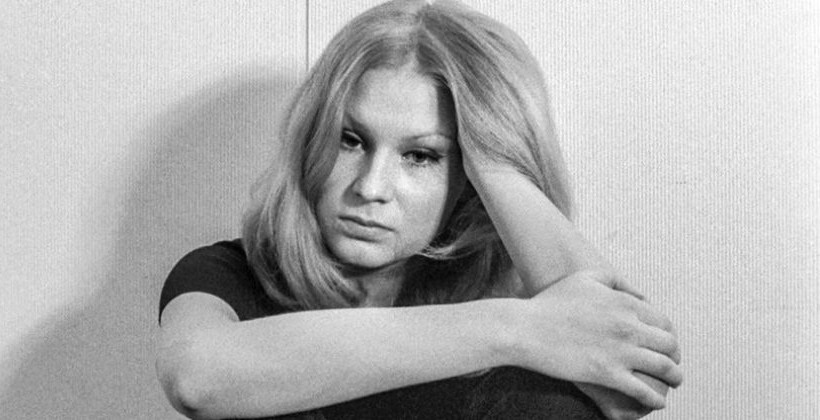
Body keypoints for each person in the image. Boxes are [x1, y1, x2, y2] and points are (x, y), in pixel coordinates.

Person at [156, 1, 682, 419]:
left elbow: (630, 381)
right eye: (351, 140)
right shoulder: (230, 275)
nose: (371, 188)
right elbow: (198, 379)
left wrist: (494, 158)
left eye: (421, 156)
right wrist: (518, 330)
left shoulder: (536, 314)